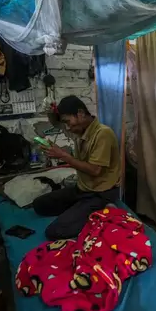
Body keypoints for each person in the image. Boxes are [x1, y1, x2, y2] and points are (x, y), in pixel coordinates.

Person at [33, 95, 121, 240]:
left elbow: (95, 170)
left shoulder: (103, 133)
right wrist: (50, 110)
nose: (67, 127)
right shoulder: (78, 129)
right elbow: (57, 123)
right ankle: (80, 211)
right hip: (82, 189)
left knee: (55, 232)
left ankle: (104, 211)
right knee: (39, 205)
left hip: (100, 194)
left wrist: (63, 155)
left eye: (68, 122)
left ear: (80, 114)